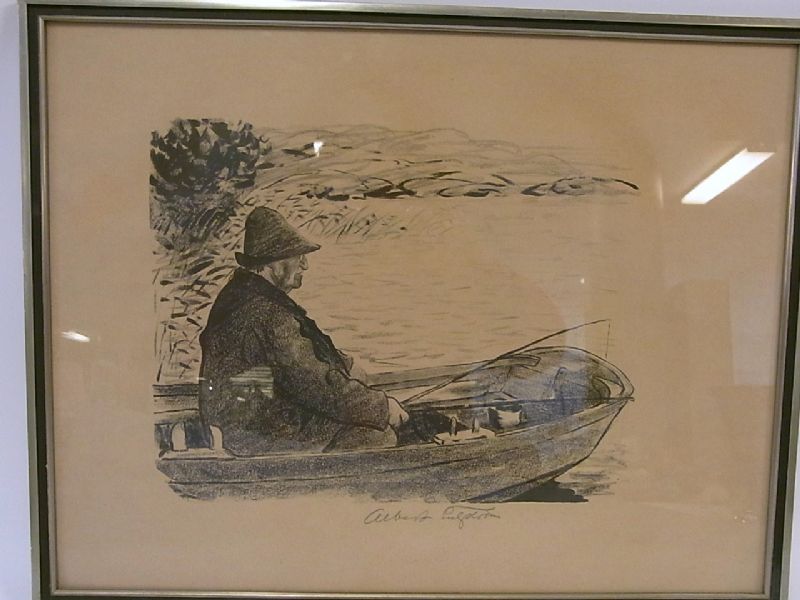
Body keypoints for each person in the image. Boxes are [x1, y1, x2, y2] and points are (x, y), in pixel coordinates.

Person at [198, 206, 409, 455]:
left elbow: (300, 363)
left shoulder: (241, 297)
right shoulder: (267, 315)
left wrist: (346, 366)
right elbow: (315, 384)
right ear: (273, 264)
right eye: (298, 257)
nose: (305, 265)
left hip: (240, 426)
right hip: (255, 437)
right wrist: (382, 408)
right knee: (378, 437)